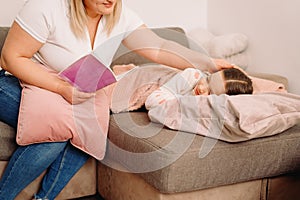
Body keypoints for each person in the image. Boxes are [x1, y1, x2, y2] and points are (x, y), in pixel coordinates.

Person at [0, 0, 232, 199]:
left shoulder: (118, 16)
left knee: (90, 134)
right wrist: (61, 88)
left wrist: (207, 62)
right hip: (16, 82)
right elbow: (11, 58)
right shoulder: (47, 7)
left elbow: (160, 48)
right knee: (54, 132)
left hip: (62, 90)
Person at [145, 67, 253, 110]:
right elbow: (151, 101)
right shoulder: (192, 76)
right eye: (208, 79)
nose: (201, 88)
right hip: (148, 79)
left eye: (210, 92)